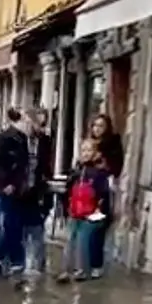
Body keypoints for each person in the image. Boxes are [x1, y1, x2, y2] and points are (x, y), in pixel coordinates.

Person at [58, 138, 112, 283]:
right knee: (69, 240)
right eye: (83, 150)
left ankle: (80, 271)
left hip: (90, 213)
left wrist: (99, 213)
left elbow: (104, 195)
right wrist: (67, 207)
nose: (86, 153)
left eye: (89, 150)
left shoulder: (100, 173)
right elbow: (68, 190)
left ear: (96, 153)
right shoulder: (77, 171)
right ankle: (66, 270)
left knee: (82, 241)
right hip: (75, 212)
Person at [0, 108, 29, 275]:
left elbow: (23, 164)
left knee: (14, 223)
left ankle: (1, 254)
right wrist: (6, 183)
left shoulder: (22, 138)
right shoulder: (6, 138)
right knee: (11, 223)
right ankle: (14, 258)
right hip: (10, 188)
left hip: (21, 187)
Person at [88, 114, 124, 277]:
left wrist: (102, 163)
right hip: (87, 191)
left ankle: (97, 264)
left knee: (98, 226)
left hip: (104, 190)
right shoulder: (89, 144)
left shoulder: (112, 146)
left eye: (101, 126)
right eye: (95, 125)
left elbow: (116, 169)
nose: (97, 129)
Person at [22, 109, 54, 273]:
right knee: (21, 229)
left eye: (41, 123)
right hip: (21, 191)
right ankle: (20, 261)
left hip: (37, 190)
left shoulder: (45, 141)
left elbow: (46, 165)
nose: (38, 126)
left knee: (37, 228)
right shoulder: (19, 140)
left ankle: (38, 264)